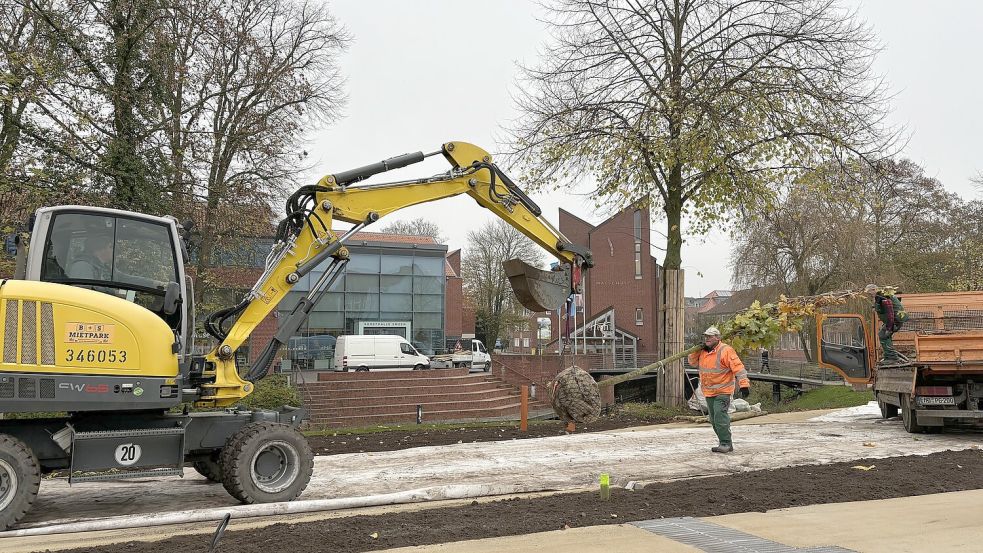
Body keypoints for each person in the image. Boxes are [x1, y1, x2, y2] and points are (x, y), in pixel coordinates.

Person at [688, 326, 751, 453]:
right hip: (708, 392)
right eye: (706, 337)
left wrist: (744, 385)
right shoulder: (703, 351)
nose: (707, 339)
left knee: (720, 417)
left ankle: (726, 443)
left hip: (723, 391)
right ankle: (724, 442)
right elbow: (692, 362)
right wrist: (697, 350)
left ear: (717, 338)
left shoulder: (726, 350)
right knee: (713, 419)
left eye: (710, 337)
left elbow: (738, 368)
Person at [864, 284, 909, 366]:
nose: (869, 295)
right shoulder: (881, 296)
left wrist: (889, 327)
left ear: (874, 289)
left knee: (882, 335)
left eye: (870, 292)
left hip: (895, 320)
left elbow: (890, 312)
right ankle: (890, 356)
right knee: (885, 336)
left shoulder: (882, 297)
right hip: (894, 320)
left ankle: (892, 358)